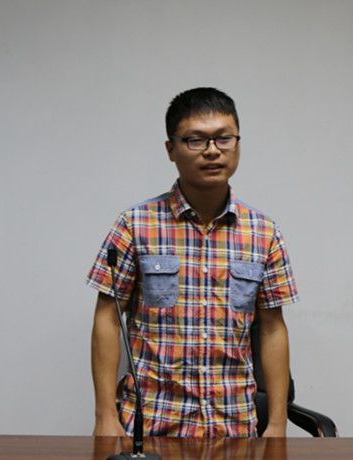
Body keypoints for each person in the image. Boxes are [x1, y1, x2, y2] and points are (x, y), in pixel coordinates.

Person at [86, 87, 298, 438]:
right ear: (171, 149)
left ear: (238, 143)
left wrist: (277, 424)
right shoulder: (135, 225)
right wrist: (105, 415)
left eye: (224, 138)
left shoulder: (263, 232)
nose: (213, 151)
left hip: (233, 426)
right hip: (152, 423)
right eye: (196, 140)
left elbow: (273, 328)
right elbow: (107, 318)